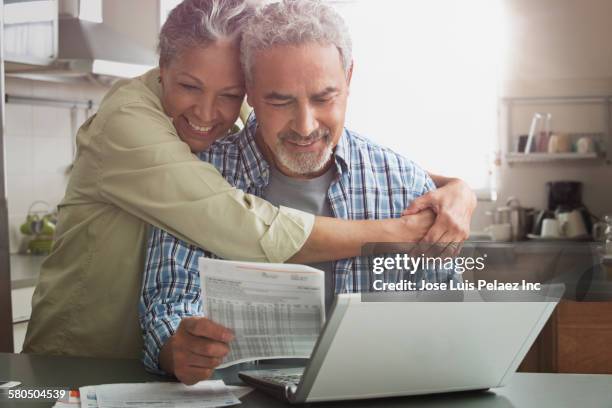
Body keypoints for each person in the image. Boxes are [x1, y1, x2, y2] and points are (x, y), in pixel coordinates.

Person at [23, 0, 475, 360]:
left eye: (229, 95)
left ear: (245, 92)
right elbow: (245, 230)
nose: (206, 113)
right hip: (79, 351)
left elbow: (328, 147)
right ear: (163, 68)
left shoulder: (392, 176)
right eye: (189, 86)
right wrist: (396, 234)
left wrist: (454, 187)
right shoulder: (130, 125)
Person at [140, 0, 461, 384]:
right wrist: (177, 346)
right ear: (250, 91)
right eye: (280, 101)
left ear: (349, 78)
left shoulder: (404, 185)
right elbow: (167, 305)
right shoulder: (200, 175)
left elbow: (446, 322)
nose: (306, 126)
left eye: (324, 98)